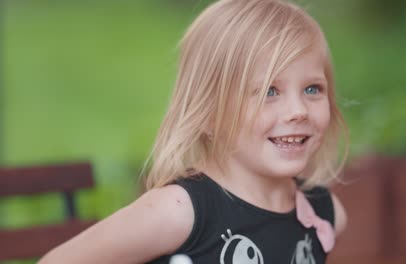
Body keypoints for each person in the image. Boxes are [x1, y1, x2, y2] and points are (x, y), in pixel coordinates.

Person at [38, 0, 348, 263]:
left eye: (312, 88)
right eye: (269, 91)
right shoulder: (177, 211)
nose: (298, 110)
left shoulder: (325, 211)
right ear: (209, 114)